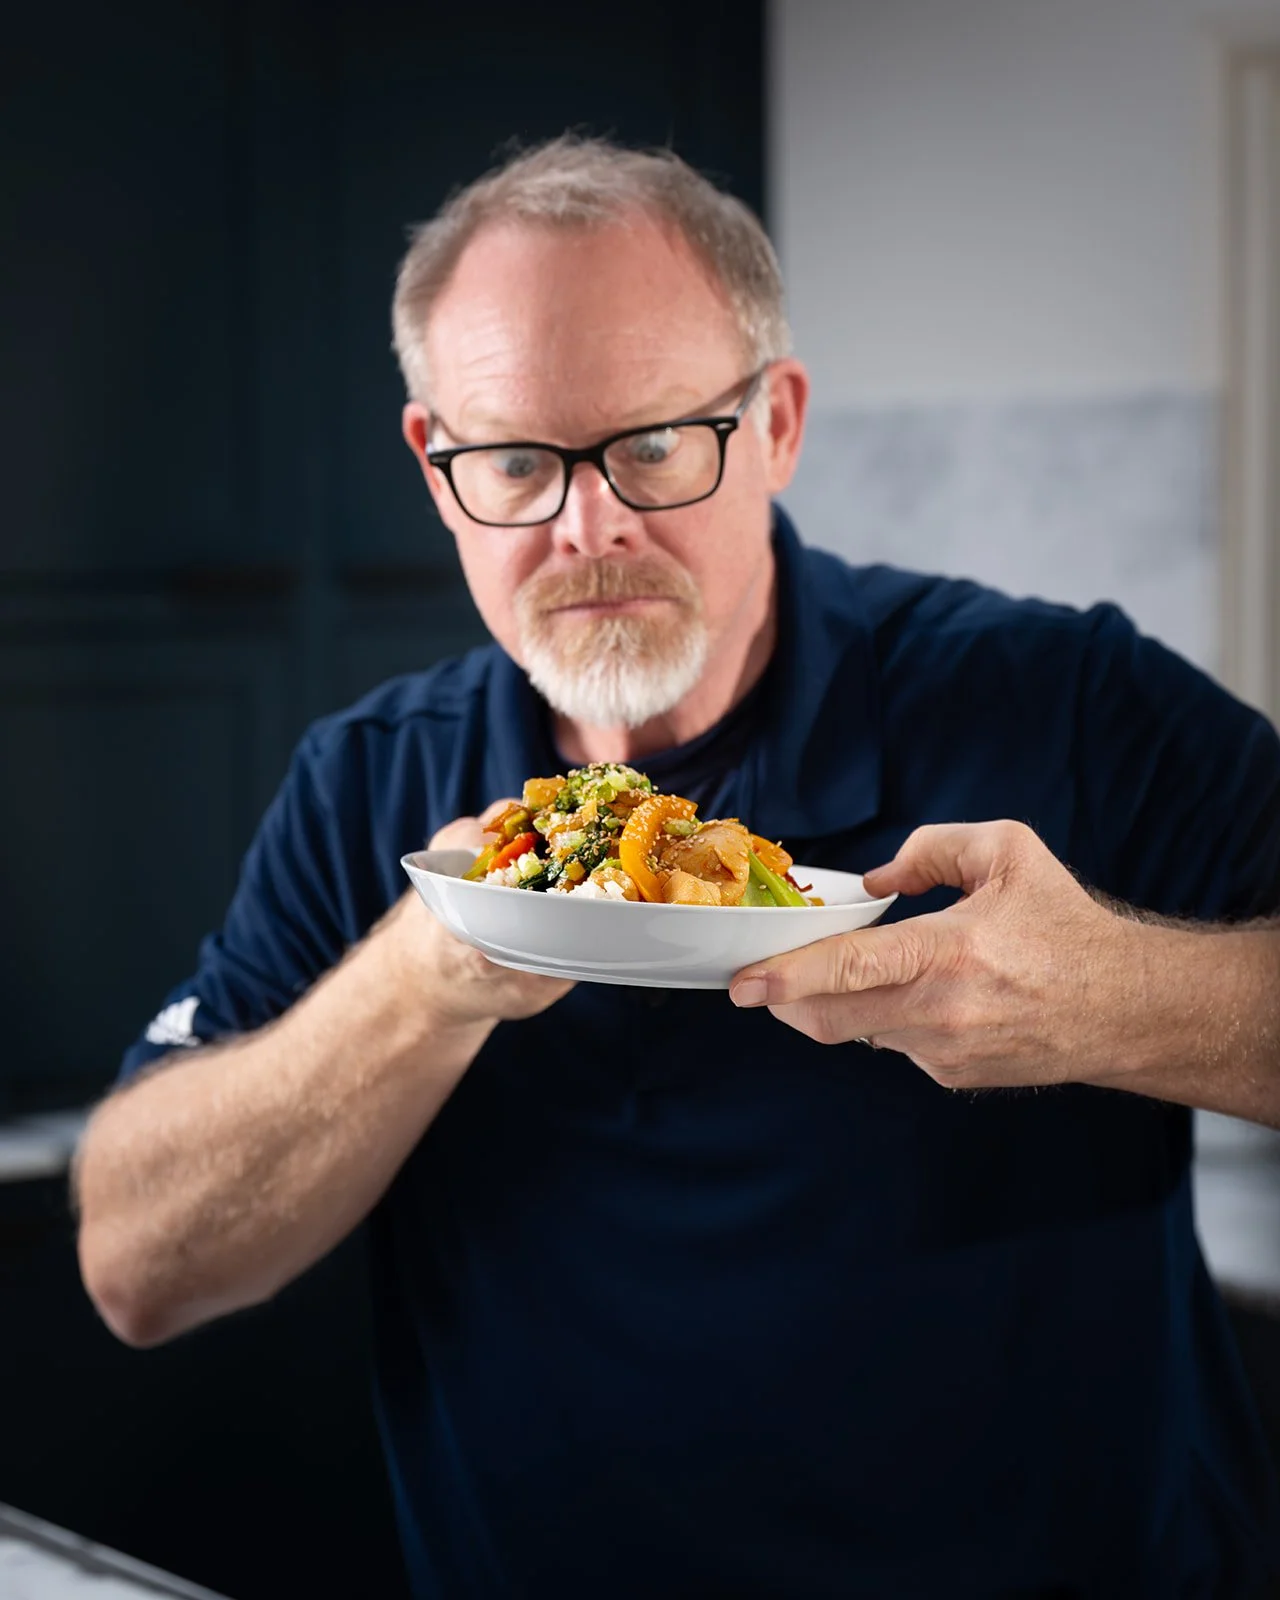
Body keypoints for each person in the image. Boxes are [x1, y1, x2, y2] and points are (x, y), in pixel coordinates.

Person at [75, 135, 1280, 1598]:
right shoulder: (366, 781)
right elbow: (139, 1268)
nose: (593, 529)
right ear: (437, 469)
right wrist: (430, 973)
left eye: (654, 445)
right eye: (517, 460)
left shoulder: (1065, 701)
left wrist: (1114, 997)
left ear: (775, 422)